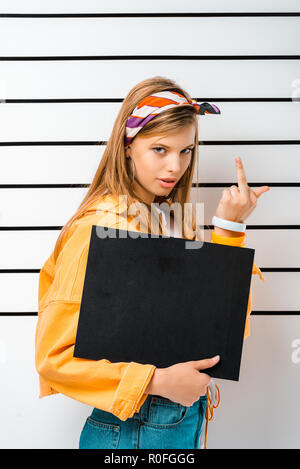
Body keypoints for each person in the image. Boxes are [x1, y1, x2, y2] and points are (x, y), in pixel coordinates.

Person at [35, 76, 267, 450]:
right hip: (132, 434)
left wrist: (229, 229)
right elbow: (53, 359)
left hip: (173, 427)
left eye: (186, 150)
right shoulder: (102, 225)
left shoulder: (169, 218)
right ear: (128, 147)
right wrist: (157, 381)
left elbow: (220, 336)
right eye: (160, 149)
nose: (175, 166)